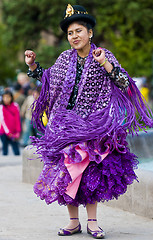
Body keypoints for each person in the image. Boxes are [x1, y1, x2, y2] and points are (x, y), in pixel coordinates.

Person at [24, 4, 153, 239]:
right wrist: (33, 65)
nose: (74, 36)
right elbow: (48, 80)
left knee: (90, 175)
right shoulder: (64, 58)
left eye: (79, 31)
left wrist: (105, 62)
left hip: (94, 128)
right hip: (63, 128)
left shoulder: (103, 56)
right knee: (65, 175)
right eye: (70, 33)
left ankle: (93, 223)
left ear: (90, 33)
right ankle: (73, 222)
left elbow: (124, 83)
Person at [0, 90, 21, 155]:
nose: (6, 99)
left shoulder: (15, 105)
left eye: (8, 97)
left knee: (16, 151)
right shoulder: (1, 107)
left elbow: (17, 119)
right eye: (4, 97)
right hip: (4, 132)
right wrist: (8, 132)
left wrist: (18, 131)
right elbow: (2, 121)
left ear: (11, 98)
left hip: (13, 132)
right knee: (5, 150)